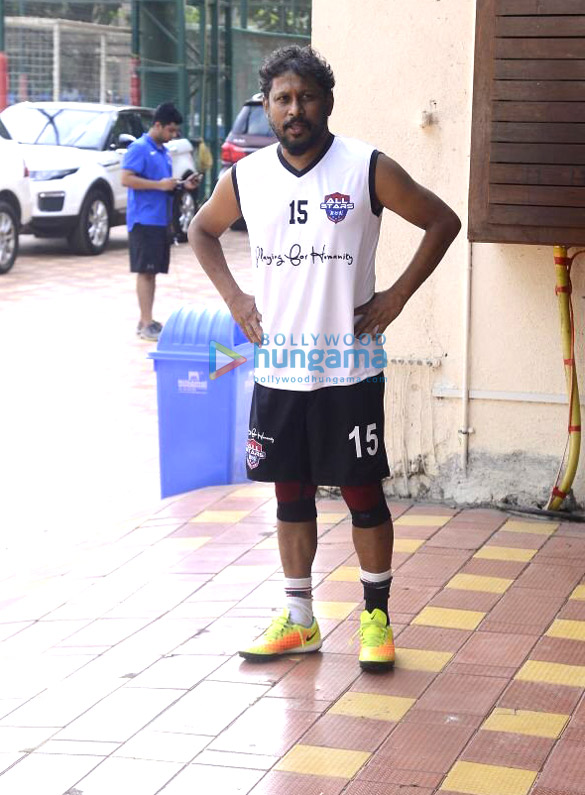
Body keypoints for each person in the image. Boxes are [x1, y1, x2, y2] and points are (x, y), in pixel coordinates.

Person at [188, 46, 461, 671]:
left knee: (363, 494)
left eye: (306, 97)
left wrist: (396, 295)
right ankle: (300, 620)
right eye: (282, 98)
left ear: (327, 103)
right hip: (280, 367)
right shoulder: (247, 177)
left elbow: (443, 221)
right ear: (266, 105)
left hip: (349, 366)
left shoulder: (366, 167)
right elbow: (200, 232)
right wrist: (235, 298)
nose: (294, 109)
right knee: (291, 496)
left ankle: (375, 620)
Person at [121, 102, 198, 341]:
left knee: (153, 272)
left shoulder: (163, 151)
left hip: (159, 220)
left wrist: (182, 185)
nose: (173, 135)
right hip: (143, 220)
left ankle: (148, 318)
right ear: (158, 125)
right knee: (145, 271)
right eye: (171, 130)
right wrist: (159, 185)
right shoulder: (139, 148)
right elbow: (126, 178)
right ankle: (145, 323)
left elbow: (162, 183)